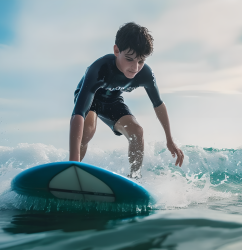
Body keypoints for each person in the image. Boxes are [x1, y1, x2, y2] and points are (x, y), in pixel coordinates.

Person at [69, 22, 184, 178]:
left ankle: (135, 178)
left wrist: (169, 140)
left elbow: (159, 105)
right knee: (87, 131)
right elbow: (79, 113)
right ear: (117, 50)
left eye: (141, 61)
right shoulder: (100, 68)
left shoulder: (145, 75)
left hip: (113, 101)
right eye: (129, 59)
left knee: (137, 131)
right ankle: (73, 168)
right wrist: (72, 162)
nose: (135, 68)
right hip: (90, 99)